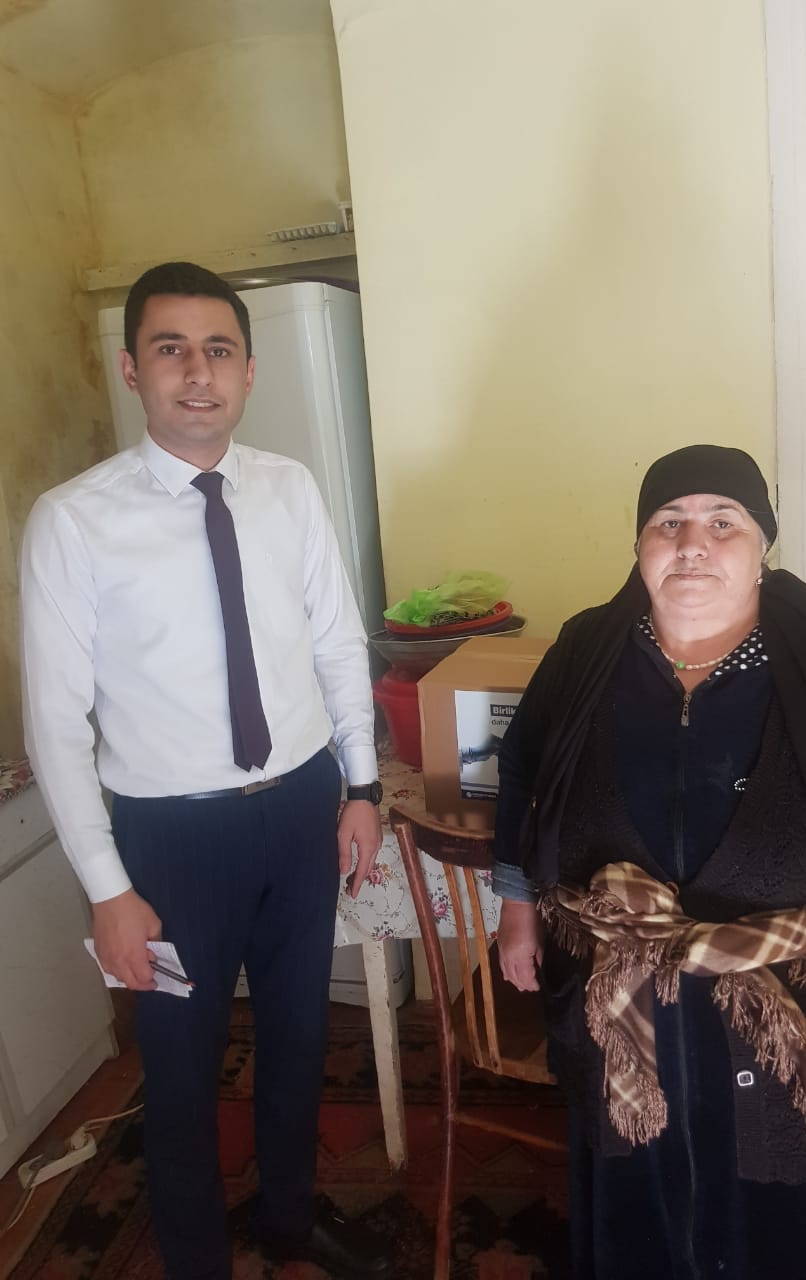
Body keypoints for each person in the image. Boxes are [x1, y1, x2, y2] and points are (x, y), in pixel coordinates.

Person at [493, 444, 806, 1280]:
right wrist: (517, 902)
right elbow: (525, 772)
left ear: (762, 544)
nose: (692, 544)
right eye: (668, 523)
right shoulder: (585, 650)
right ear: (640, 545)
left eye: (722, 522)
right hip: (636, 1007)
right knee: (653, 1205)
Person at [19, 262, 389, 1280]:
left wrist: (361, 787)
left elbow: (337, 643)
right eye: (171, 349)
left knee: (299, 1035)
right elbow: (54, 722)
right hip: (171, 839)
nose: (197, 371)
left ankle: (287, 1218)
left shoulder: (288, 489)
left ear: (248, 371)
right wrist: (108, 889)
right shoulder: (73, 521)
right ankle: (196, 1261)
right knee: (180, 1069)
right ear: (131, 369)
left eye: (218, 350)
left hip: (302, 808)